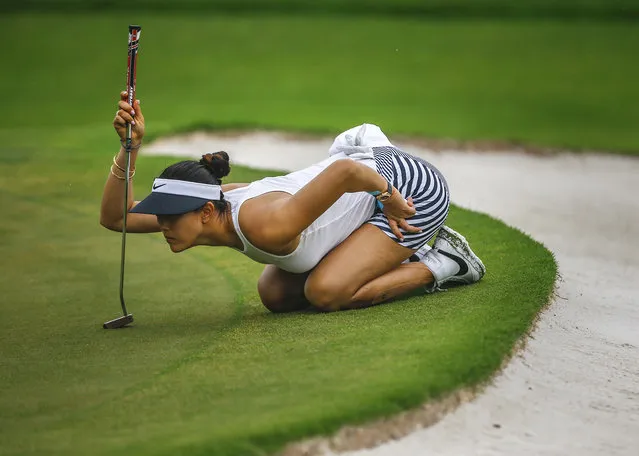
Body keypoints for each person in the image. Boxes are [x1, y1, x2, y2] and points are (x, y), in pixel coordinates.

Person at [101, 91, 485, 313]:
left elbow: (346, 174)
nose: (163, 225)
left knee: (326, 292)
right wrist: (129, 148)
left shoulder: (262, 225)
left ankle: (447, 261)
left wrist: (389, 198)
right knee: (274, 294)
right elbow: (117, 219)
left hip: (409, 192)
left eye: (170, 216)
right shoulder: (219, 204)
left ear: (204, 212)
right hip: (368, 181)